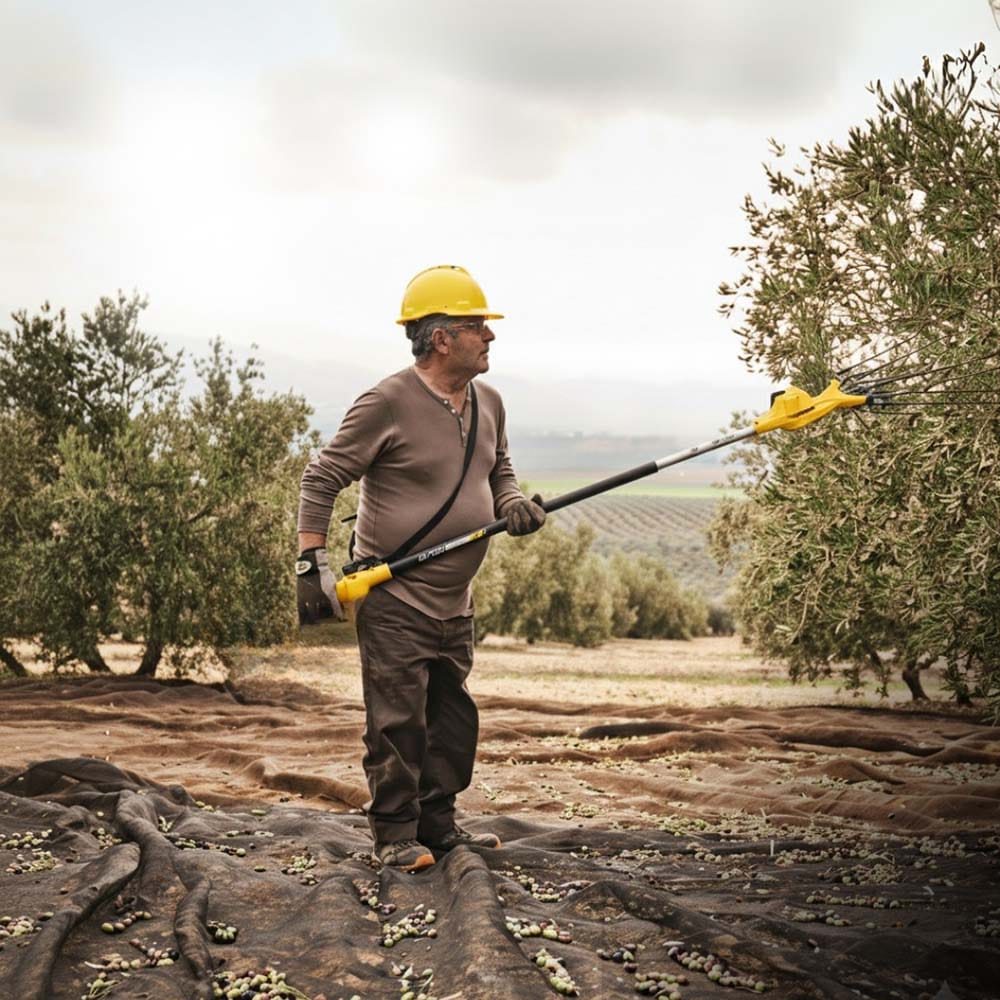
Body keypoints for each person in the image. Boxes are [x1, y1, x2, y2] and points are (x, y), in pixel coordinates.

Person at [295, 265, 546, 871]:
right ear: (440, 338)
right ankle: (395, 836)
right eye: (476, 326)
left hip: (455, 600)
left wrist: (511, 503)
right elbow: (321, 477)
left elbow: (499, 469)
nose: (490, 336)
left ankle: (438, 826)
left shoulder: (490, 403)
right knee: (397, 723)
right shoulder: (387, 403)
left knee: (451, 721)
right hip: (394, 595)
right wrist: (312, 564)